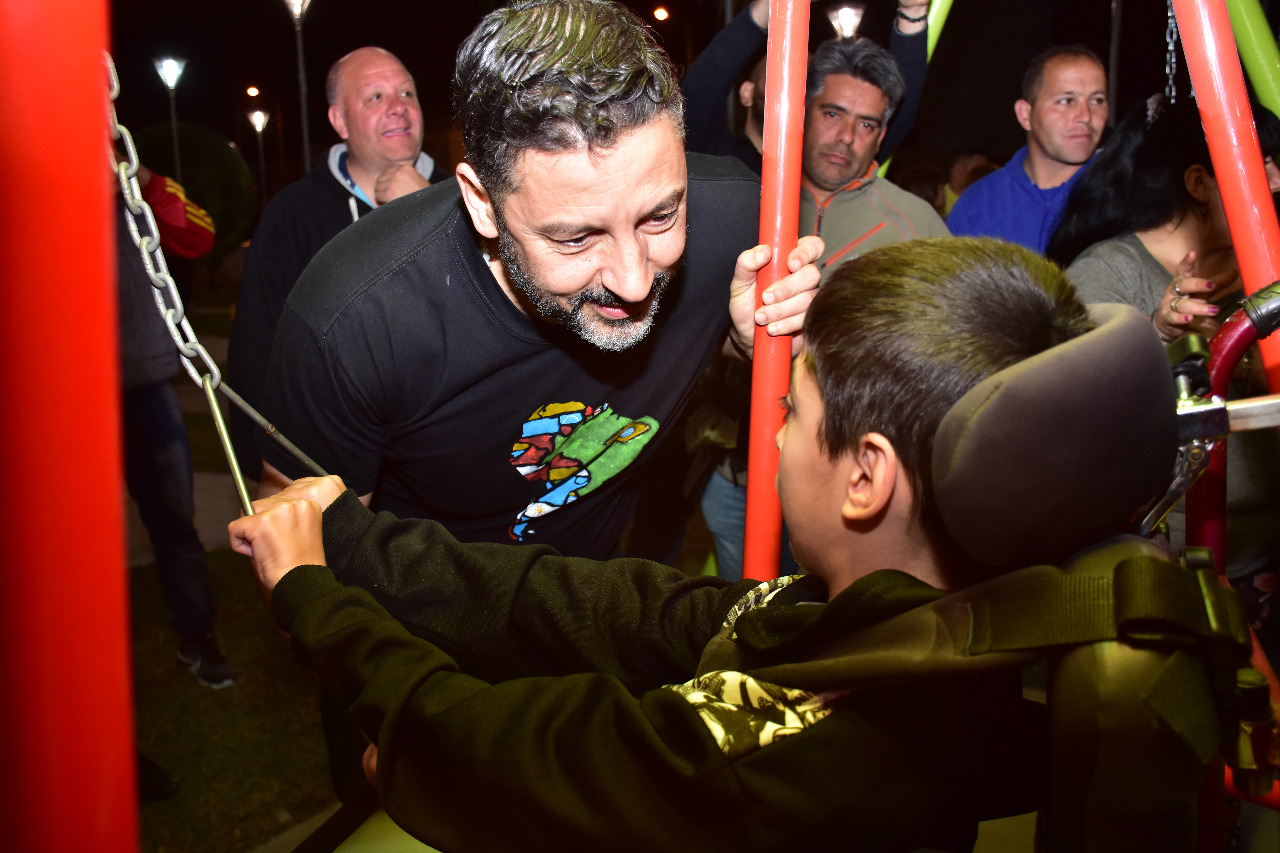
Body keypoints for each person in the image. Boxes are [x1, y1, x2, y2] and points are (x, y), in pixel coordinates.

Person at [227, 237, 1157, 851]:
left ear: (866, 476)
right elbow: (617, 611)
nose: (775, 436)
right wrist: (350, 539)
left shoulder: (796, 746)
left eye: (792, 411)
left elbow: (493, 753)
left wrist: (313, 595)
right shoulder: (910, 623)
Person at [252, 0, 820, 563]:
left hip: (600, 595)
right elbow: (302, 561)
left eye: (660, 217)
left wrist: (746, 340)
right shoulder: (357, 322)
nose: (634, 281)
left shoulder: (739, 224)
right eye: (575, 239)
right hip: (416, 613)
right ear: (483, 204)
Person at [691, 31, 948, 579]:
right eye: (833, 113)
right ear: (803, 111)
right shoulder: (748, 201)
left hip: (849, 496)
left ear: (882, 136)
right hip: (739, 478)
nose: (846, 137)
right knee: (742, 614)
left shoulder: (916, 228)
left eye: (867, 124)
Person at [1049, 95, 1280, 657]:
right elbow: (1071, 417)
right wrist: (1157, 334)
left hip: (1266, 560)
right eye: (1261, 164)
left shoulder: (1265, 271)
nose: (1275, 182)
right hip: (1169, 568)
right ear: (1199, 182)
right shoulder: (1109, 273)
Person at [226, 46, 448, 481]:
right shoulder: (293, 214)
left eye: (407, 92)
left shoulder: (466, 199)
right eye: (376, 97)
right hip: (327, 464)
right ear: (340, 121)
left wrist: (427, 208)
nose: (398, 107)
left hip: (443, 462)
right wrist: (264, 464)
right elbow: (258, 344)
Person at [116, 156, 238, 691]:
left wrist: (139, 178)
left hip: (143, 385)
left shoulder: (131, 187)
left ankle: (197, 637)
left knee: (174, 523)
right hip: (64, 396)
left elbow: (198, 235)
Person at [681, 0, 932, 176]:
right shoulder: (716, 157)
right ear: (746, 92)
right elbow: (702, 89)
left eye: (807, 79)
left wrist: (913, 12)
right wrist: (771, 5)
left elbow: (895, 106)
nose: (794, 84)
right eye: (780, 72)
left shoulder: (827, 164)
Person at [947, 44, 1108, 252]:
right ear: (1025, 115)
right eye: (1067, 101)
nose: (1086, 116)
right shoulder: (978, 204)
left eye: (1097, 100)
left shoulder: (1125, 198)